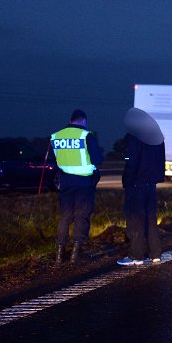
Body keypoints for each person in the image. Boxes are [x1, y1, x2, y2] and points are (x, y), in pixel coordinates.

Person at [51, 109, 105, 264]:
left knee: (66, 215)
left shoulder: (56, 136)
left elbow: (58, 158)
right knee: (82, 215)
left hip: (65, 181)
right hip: (84, 182)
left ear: (71, 120)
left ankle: (59, 254)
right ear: (83, 121)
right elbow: (97, 159)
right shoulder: (86, 135)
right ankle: (75, 253)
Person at [117, 108, 165, 266]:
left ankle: (136, 256)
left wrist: (127, 180)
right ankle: (155, 254)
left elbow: (131, 160)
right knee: (151, 219)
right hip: (151, 184)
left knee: (135, 220)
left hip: (137, 183)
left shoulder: (134, 136)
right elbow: (161, 160)